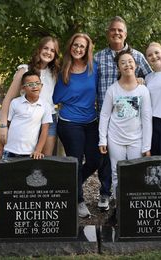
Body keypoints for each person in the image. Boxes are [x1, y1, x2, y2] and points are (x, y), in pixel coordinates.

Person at [0, 70, 52, 232]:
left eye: (37, 83)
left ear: (42, 86)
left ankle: (22, 219)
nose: (34, 87)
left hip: (29, 154)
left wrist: (39, 150)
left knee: (27, 188)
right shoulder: (15, 103)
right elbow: (7, 127)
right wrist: (0, 147)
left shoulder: (45, 106)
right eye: (30, 84)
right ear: (23, 88)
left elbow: (45, 131)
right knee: (1, 187)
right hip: (9, 152)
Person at [94, 16, 152, 210]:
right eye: (113, 30)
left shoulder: (137, 56)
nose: (116, 33)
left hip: (134, 123)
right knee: (108, 164)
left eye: (120, 30)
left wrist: (142, 82)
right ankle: (106, 194)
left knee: (133, 167)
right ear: (107, 34)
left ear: (125, 34)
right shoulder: (98, 57)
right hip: (109, 120)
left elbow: (151, 78)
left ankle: (133, 200)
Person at [52, 33, 100, 218]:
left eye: (82, 46)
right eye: (75, 45)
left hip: (90, 121)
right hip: (69, 122)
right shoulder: (60, 69)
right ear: (70, 46)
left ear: (87, 49)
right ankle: (79, 201)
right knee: (77, 161)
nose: (78, 49)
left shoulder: (93, 68)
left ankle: (74, 184)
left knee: (95, 160)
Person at [0, 36, 60, 160]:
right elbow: (8, 99)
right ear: (39, 49)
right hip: (25, 117)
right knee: (17, 158)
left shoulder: (55, 73)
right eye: (46, 48)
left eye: (52, 50)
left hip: (48, 119)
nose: (48, 52)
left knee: (44, 161)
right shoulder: (25, 70)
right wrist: (3, 125)